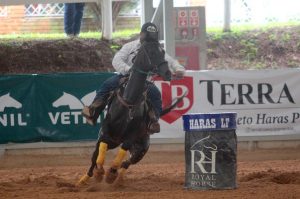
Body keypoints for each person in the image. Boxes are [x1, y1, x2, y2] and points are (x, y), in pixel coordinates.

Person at [82, 22, 185, 133]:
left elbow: (169, 61)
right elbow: (116, 60)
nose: (150, 39)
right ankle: (93, 111)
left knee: (155, 95)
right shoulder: (129, 46)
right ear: (141, 34)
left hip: (145, 82)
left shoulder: (156, 49)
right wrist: (129, 70)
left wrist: (178, 69)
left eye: (153, 36)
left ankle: (153, 122)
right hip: (124, 77)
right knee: (107, 85)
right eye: (147, 35)